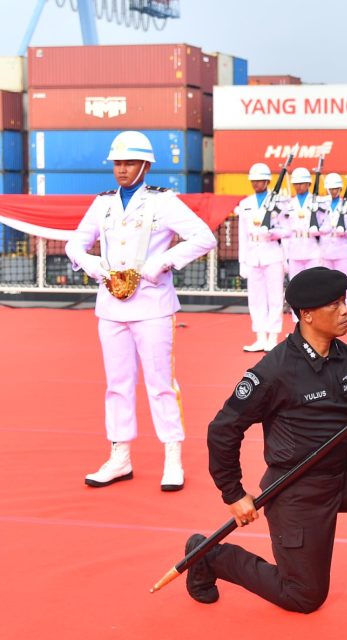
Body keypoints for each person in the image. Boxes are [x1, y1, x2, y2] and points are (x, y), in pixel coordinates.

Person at [186, 266, 347, 611]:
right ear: (307, 315)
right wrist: (233, 492)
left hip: (341, 473)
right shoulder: (273, 371)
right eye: (334, 305)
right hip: (296, 488)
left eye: (343, 301)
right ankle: (211, 555)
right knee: (303, 597)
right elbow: (223, 429)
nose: (345, 310)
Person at [65, 130, 216, 491]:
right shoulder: (102, 203)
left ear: (146, 165)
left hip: (152, 304)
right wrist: (94, 266)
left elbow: (204, 237)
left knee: (161, 383)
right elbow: (75, 244)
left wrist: (161, 263)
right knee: (117, 384)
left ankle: (172, 456)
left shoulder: (163, 202)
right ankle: (120, 456)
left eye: (129, 162)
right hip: (110, 306)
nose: (121, 169)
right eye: (117, 162)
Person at [237, 162, 292, 352]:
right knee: (256, 298)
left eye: (259, 180)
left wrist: (274, 232)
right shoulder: (245, 204)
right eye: (253, 180)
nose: (255, 184)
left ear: (267, 181)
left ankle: (273, 336)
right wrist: (242, 261)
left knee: (275, 296)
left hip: (272, 252)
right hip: (253, 255)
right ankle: (260, 336)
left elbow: (288, 230)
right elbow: (242, 236)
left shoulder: (280, 202)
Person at [317, 172, 347, 304]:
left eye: (336, 189)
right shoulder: (320, 206)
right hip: (325, 250)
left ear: (341, 189)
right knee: (326, 284)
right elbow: (314, 225)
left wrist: (346, 232)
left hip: (342, 250)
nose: (333, 191)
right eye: (331, 189)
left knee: (342, 283)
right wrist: (321, 230)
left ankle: (343, 309)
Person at [285, 167, 323, 280]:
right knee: (295, 284)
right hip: (294, 250)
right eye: (296, 184)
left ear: (308, 184)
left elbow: (325, 224)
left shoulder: (318, 202)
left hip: (313, 248)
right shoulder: (289, 204)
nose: (298, 186)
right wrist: (285, 256)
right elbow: (286, 232)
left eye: (301, 183)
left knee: (314, 283)